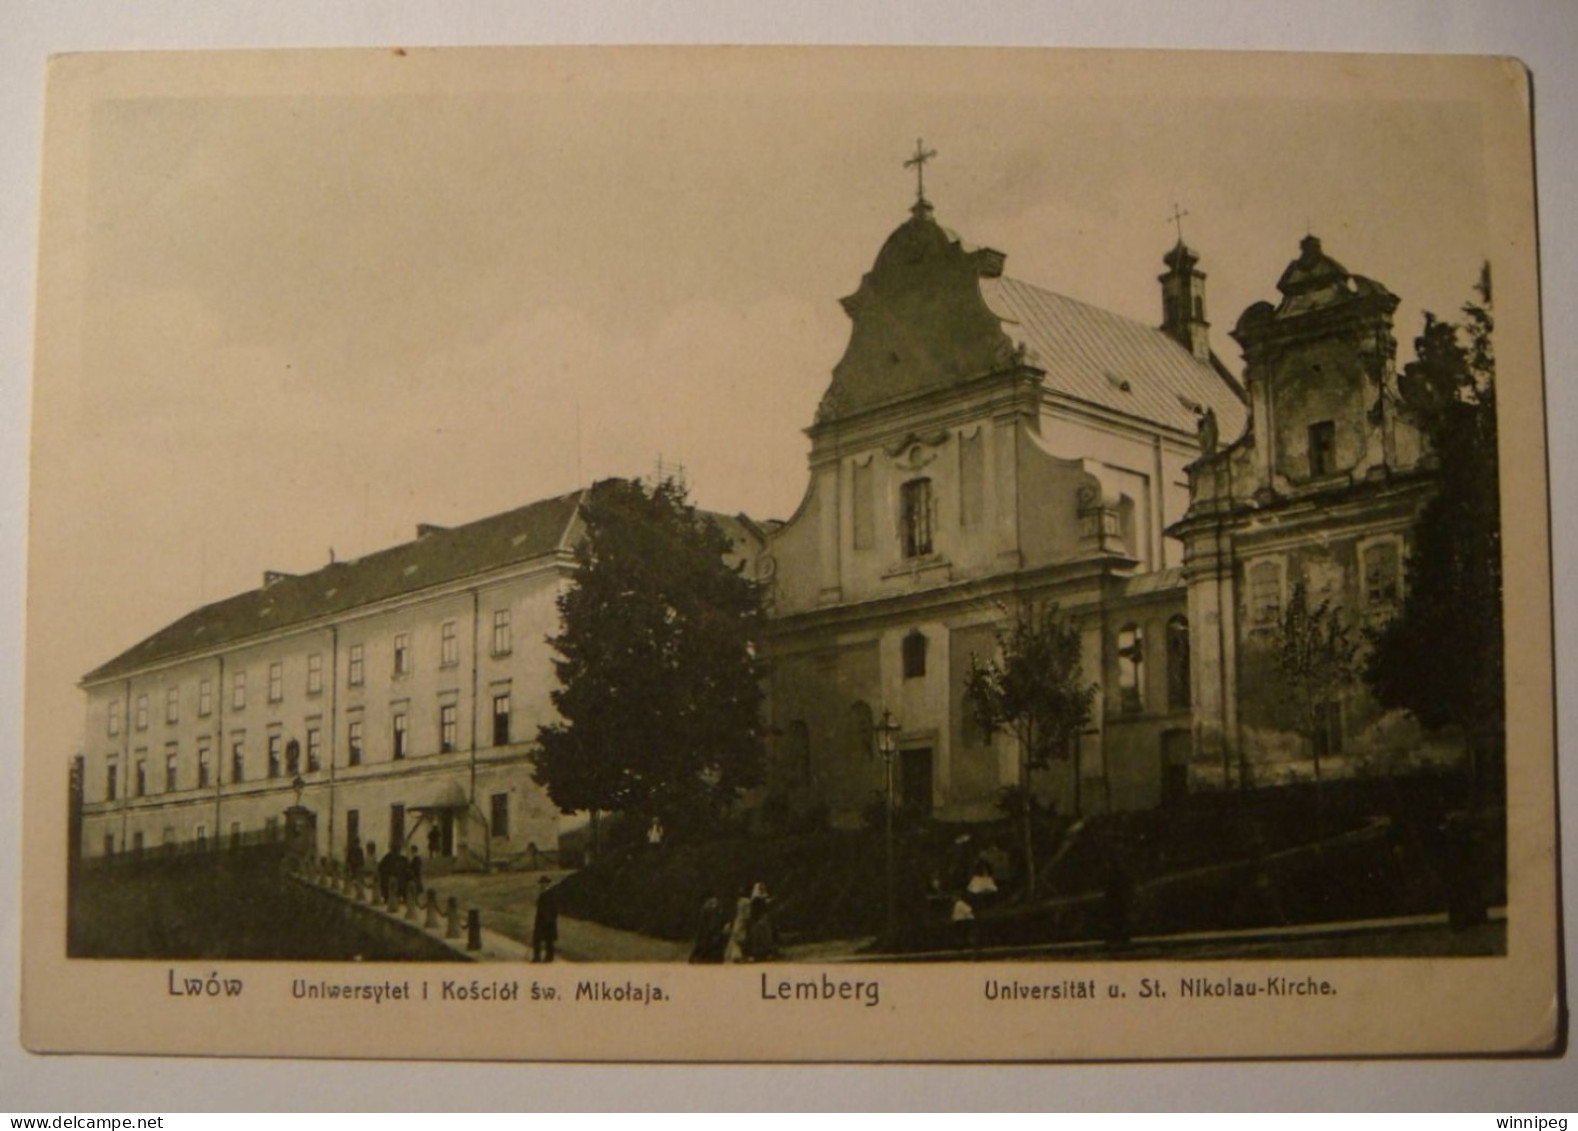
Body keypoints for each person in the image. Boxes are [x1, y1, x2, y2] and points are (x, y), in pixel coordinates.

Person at [690, 893, 728, 964]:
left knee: (707, 946)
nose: (714, 904)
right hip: (709, 932)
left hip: (710, 932)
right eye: (712, 903)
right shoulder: (710, 910)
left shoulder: (709, 910)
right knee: (706, 945)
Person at [746, 881, 778, 961]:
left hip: (763, 919)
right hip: (759, 920)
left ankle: (764, 953)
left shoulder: (761, 899)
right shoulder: (756, 900)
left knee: (764, 937)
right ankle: (759, 953)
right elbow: (757, 910)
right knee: (760, 937)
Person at [532, 875, 560, 962]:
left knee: (548, 940)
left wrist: (548, 919)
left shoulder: (550, 894)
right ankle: (537, 957)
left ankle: (548, 958)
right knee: (538, 939)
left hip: (548, 921)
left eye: (543, 883)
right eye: (541, 884)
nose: (541, 885)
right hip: (542, 920)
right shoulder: (543, 894)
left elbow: (553, 909)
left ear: (547, 884)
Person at [723, 887, 752, 964]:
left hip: (738, 920)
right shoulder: (746, 901)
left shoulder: (739, 902)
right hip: (742, 921)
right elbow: (747, 914)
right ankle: (736, 956)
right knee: (738, 939)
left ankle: (733, 955)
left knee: (736, 938)